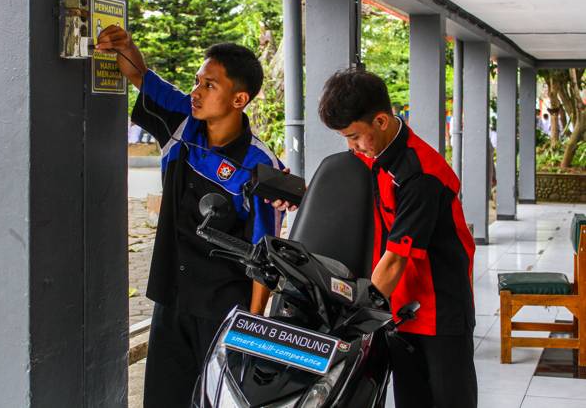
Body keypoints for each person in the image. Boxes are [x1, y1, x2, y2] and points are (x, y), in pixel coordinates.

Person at [96, 26, 284, 407]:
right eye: (197, 81)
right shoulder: (181, 121)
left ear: (239, 99)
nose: (196, 92)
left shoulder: (260, 166)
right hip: (172, 297)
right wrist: (124, 44)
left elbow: (265, 255)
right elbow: (141, 77)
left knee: (218, 400)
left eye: (209, 85)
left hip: (224, 310)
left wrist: (253, 324)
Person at [279, 68, 477, 407]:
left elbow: (398, 258)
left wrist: (354, 319)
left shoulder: (420, 175)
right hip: (399, 309)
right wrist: (297, 195)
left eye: (355, 136)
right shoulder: (375, 154)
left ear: (382, 121)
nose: (352, 146)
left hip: (439, 310)